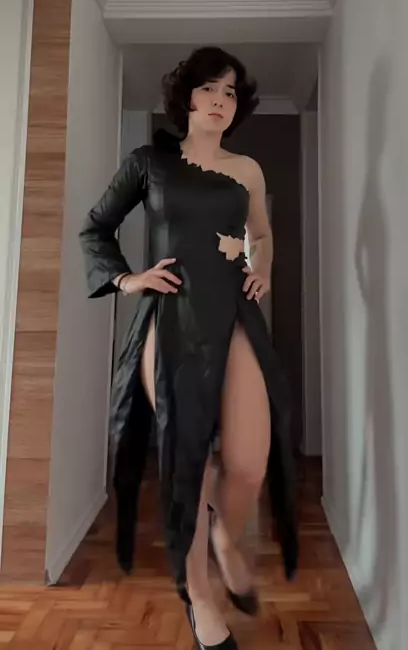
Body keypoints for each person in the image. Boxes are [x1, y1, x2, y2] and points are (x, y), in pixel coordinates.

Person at [79, 46, 297, 650]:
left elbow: (260, 234)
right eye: (209, 88)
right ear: (187, 97)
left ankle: (225, 534)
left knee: (248, 464)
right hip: (171, 318)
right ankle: (200, 597)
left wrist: (262, 267)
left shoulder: (247, 169)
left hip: (234, 313)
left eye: (230, 91)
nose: (220, 100)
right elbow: (96, 226)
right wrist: (127, 279)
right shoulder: (148, 162)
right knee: (189, 461)